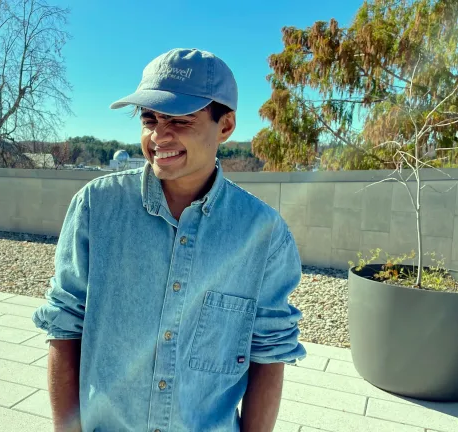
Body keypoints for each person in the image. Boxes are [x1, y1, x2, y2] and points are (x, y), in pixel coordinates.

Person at [32, 48, 306, 432]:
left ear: (225, 126)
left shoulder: (264, 233)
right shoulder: (96, 207)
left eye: (179, 119)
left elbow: (269, 352)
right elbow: (65, 324)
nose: (159, 134)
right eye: (150, 119)